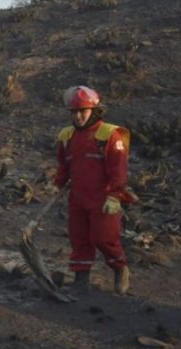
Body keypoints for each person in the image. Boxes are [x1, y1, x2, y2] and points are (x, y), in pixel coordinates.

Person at [53, 86, 132, 295]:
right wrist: (58, 183)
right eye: (74, 112)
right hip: (77, 197)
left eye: (82, 111)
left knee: (103, 238)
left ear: (94, 111)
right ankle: (81, 279)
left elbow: (118, 170)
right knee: (79, 238)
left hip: (103, 198)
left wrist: (114, 195)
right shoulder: (66, 136)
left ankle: (120, 268)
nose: (78, 116)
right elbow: (64, 166)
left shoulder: (109, 135)